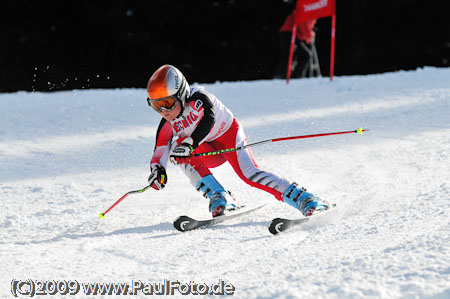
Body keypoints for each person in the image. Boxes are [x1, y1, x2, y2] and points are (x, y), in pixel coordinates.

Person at [146, 64, 329, 217]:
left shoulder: (199, 99)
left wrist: (191, 143)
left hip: (229, 137)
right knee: (178, 152)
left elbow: (208, 120)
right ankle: (219, 195)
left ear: (181, 93)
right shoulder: (167, 123)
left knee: (249, 174)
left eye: (168, 103)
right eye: (155, 106)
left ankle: (305, 198)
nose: (163, 111)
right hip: (209, 151)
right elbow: (160, 149)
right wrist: (157, 170)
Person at [273, 11, 320, 79]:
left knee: (305, 55)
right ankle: (280, 75)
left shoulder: (309, 12)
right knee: (290, 55)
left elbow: (303, 28)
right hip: (289, 33)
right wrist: (309, 35)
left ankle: (297, 76)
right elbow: (302, 25)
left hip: (295, 35)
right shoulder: (305, 10)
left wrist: (308, 35)